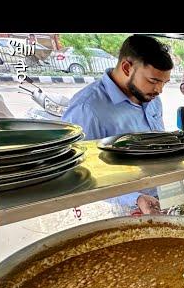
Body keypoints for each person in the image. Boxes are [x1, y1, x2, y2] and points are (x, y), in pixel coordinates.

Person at [63, 35, 174, 213]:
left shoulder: (151, 99)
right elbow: (78, 173)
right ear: (126, 67)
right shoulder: (88, 108)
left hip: (163, 195)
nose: (159, 90)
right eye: (153, 81)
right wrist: (134, 199)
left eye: (164, 83)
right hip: (127, 206)